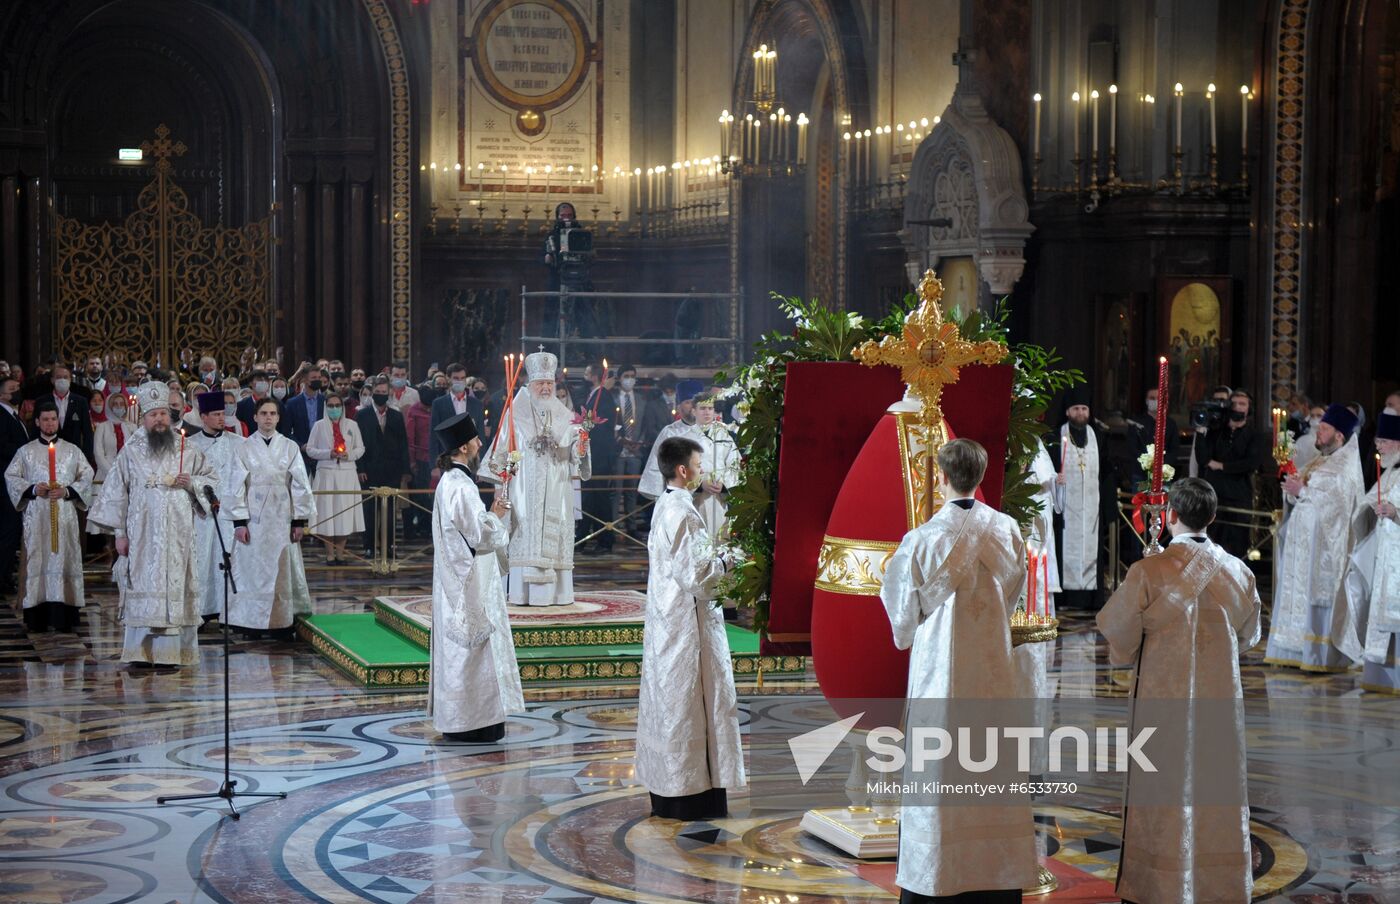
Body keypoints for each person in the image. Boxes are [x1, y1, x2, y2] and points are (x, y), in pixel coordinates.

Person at [879, 438, 1037, 900]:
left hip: (940, 675)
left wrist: (910, 631)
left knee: (939, 766)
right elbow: (1013, 593)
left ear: (941, 478)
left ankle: (937, 878)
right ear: (981, 476)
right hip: (992, 667)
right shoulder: (1007, 529)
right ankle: (997, 877)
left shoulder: (923, 538)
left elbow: (902, 614)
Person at [1097, 477, 1260, 904]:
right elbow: (1250, 635)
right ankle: (1216, 884)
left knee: (1163, 783)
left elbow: (1118, 637)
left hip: (1162, 704)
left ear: (1169, 516)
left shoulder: (1149, 570)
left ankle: (1161, 886)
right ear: (1212, 516)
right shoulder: (1239, 571)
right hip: (1219, 703)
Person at [635, 436, 744, 820]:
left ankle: (673, 790)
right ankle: (691, 793)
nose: (702, 470)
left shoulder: (666, 504)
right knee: (688, 705)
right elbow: (697, 577)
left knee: (674, 705)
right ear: (683, 470)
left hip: (670, 619)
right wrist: (729, 562)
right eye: (699, 464)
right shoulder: (683, 511)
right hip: (687, 624)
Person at [88, 382, 217, 669]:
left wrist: (193, 483)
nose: (159, 419)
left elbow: (212, 482)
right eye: (152, 415)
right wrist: (119, 534)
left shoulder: (188, 448)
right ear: (143, 419)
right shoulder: (130, 452)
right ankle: (141, 652)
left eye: (163, 413)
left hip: (178, 535)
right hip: (142, 535)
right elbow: (116, 493)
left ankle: (174, 653)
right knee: (141, 590)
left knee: (175, 587)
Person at [429, 412, 520, 742]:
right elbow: (480, 536)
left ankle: (463, 719)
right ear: (465, 447)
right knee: (472, 652)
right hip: (469, 584)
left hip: (454, 581)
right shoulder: (461, 486)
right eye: (477, 440)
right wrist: (496, 515)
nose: (481, 443)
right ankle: (474, 723)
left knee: (462, 652)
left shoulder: (449, 482)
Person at [482, 351, 591, 606]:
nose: (545, 388)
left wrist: (582, 445)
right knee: (525, 536)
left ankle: (559, 594)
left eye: (549, 384)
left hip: (557, 486)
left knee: (557, 534)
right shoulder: (515, 413)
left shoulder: (565, 416)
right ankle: (521, 594)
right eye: (540, 383)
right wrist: (504, 480)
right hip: (525, 489)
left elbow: (576, 453)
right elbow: (503, 452)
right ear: (529, 385)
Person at [1266, 403, 1366, 671]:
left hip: (1322, 549)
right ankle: (1294, 649)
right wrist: (1292, 488)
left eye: (1324, 429)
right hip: (1303, 546)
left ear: (1340, 436)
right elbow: (1302, 489)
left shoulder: (1345, 467)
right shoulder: (1320, 460)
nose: (1318, 433)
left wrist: (1304, 491)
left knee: (1313, 595)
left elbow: (1340, 504)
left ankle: (1317, 655)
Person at [225, 398, 315, 637]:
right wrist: (239, 522)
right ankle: (250, 621)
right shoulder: (243, 448)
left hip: (282, 518)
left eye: (273, 413)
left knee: (281, 567)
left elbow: (300, 485)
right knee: (252, 569)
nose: (268, 418)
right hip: (254, 519)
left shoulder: (289, 447)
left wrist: (299, 521)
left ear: (278, 417)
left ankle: (282, 620)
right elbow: (235, 485)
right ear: (255, 417)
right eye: (263, 413)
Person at [5, 400, 94, 632]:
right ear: (37, 422)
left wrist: (67, 491)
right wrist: (34, 489)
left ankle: (65, 614)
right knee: (39, 557)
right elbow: (11, 476)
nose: (50, 423)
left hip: (64, 515)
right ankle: (38, 615)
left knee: (64, 556)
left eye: (53, 419)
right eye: (45, 419)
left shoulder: (72, 450)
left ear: (58, 421)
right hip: (38, 517)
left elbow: (86, 475)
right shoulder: (25, 452)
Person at [1345, 412, 1400, 692]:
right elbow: (1367, 506)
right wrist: (1370, 512)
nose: (1378, 446)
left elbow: (1394, 510)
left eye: (1384, 441)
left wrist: (1396, 513)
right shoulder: (1389, 472)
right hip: (1384, 555)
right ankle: (1380, 674)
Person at [187, 392, 243, 621]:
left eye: (223, 414)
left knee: (230, 559)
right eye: (216, 414)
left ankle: (229, 612)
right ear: (203, 417)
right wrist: (201, 502)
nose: (222, 418)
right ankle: (201, 611)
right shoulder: (190, 445)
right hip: (203, 515)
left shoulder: (239, 443)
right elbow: (187, 480)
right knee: (203, 560)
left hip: (230, 513)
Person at [1193, 389, 1268, 557]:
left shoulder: (1255, 435)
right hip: (1215, 495)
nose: (1238, 407)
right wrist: (1200, 433)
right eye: (1234, 404)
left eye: (1243, 404)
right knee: (1211, 543)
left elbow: (1250, 464)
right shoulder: (1216, 431)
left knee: (1237, 545)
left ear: (1249, 409)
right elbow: (1203, 458)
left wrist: (1221, 465)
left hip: (1238, 496)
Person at [1049, 387, 1106, 609]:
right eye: (1076, 409)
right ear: (1067, 412)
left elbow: (1107, 473)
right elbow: (1047, 472)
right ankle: (1065, 598)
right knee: (1066, 548)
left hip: (1092, 510)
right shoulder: (1056, 437)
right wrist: (1056, 478)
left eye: (1084, 409)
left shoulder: (1098, 437)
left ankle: (1091, 600)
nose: (1080, 413)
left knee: (1091, 548)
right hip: (1065, 511)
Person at [355, 376, 411, 559]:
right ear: (372, 393)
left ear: (389, 393)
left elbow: (403, 443)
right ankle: (369, 546)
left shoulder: (395, 415)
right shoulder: (362, 415)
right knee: (369, 511)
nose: (380, 395)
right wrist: (360, 468)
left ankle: (388, 546)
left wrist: (405, 470)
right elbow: (358, 443)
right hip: (369, 470)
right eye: (377, 392)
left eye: (383, 392)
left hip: (391, 470)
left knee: (389, 512)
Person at [307, 392, 365, 563]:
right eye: (331, 406)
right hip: (326, 474)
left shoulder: (352, 425)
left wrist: (349, 455)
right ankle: (329, 553)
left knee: (344, 515)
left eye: (337, 406)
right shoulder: (318, 426)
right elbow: (310, 449)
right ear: (326, 407)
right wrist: (328, 454)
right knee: (327, 514)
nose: (334, 409)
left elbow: (360, 448)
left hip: (347, 474)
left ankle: (340, 553)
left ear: (342, 407)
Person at [612, 364, 655, 533]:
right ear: (620, 378)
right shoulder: (612, 397)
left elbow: (645, 424)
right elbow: (611, 423)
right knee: (616, 491)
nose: (629, 379)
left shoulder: (642, 399)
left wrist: (640, 441)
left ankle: (631, 527)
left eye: (632, 376)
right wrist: (620, 440)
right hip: (618, 451)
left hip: (635, 451)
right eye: (626, 376)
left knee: (632, 491)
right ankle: (613, 526)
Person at [578, 361, 616, 550]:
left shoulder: (604, 397)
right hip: (591, 455)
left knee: (600, 497)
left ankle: (605, 539)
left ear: (594, 376)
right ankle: (584, 536)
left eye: (587, 372)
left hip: (600, 457)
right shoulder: (593, 395)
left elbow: (602, 429)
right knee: (590, 498)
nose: (584, 376)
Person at [0, 376, 29, 594]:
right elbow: (3, 446)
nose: (17, 391)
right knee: (7, 532)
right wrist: (25, 454)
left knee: (12, 531)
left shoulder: (13, 415)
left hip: (14, 483)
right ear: (2, 395)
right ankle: (2, 578)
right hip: (4, 484)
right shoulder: (1, 416)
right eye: (12, 389)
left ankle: (6, 575)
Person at [42, 364, 93, 465]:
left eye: (65, 377)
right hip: (47, 455)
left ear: (70, 380)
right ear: (52, 380)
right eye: (58, 377)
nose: (62, 380)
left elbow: (87, 432)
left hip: (73, 456)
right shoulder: (42, 401)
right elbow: (36, 430)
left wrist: (86, 458)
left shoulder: (81, 401)